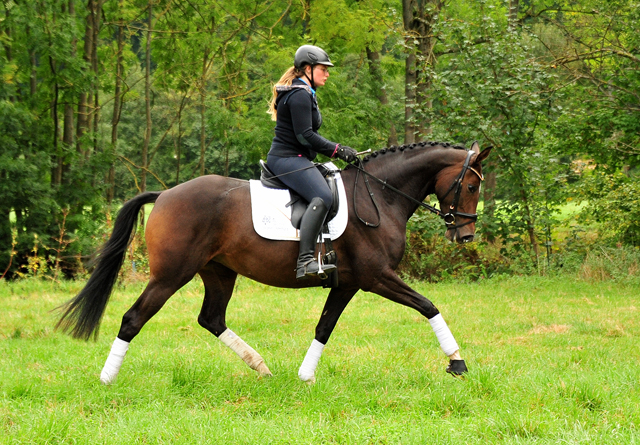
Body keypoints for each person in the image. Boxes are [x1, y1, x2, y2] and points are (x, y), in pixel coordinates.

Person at [266, 45, 357, 280]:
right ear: (308, 69)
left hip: (296, 158)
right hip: (286, 159)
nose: (327, 73)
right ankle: (305, 260)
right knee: (324, 196)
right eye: (323, 69)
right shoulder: (299, 95)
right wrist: (337, 150)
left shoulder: (305, 93)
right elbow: (305, 135)